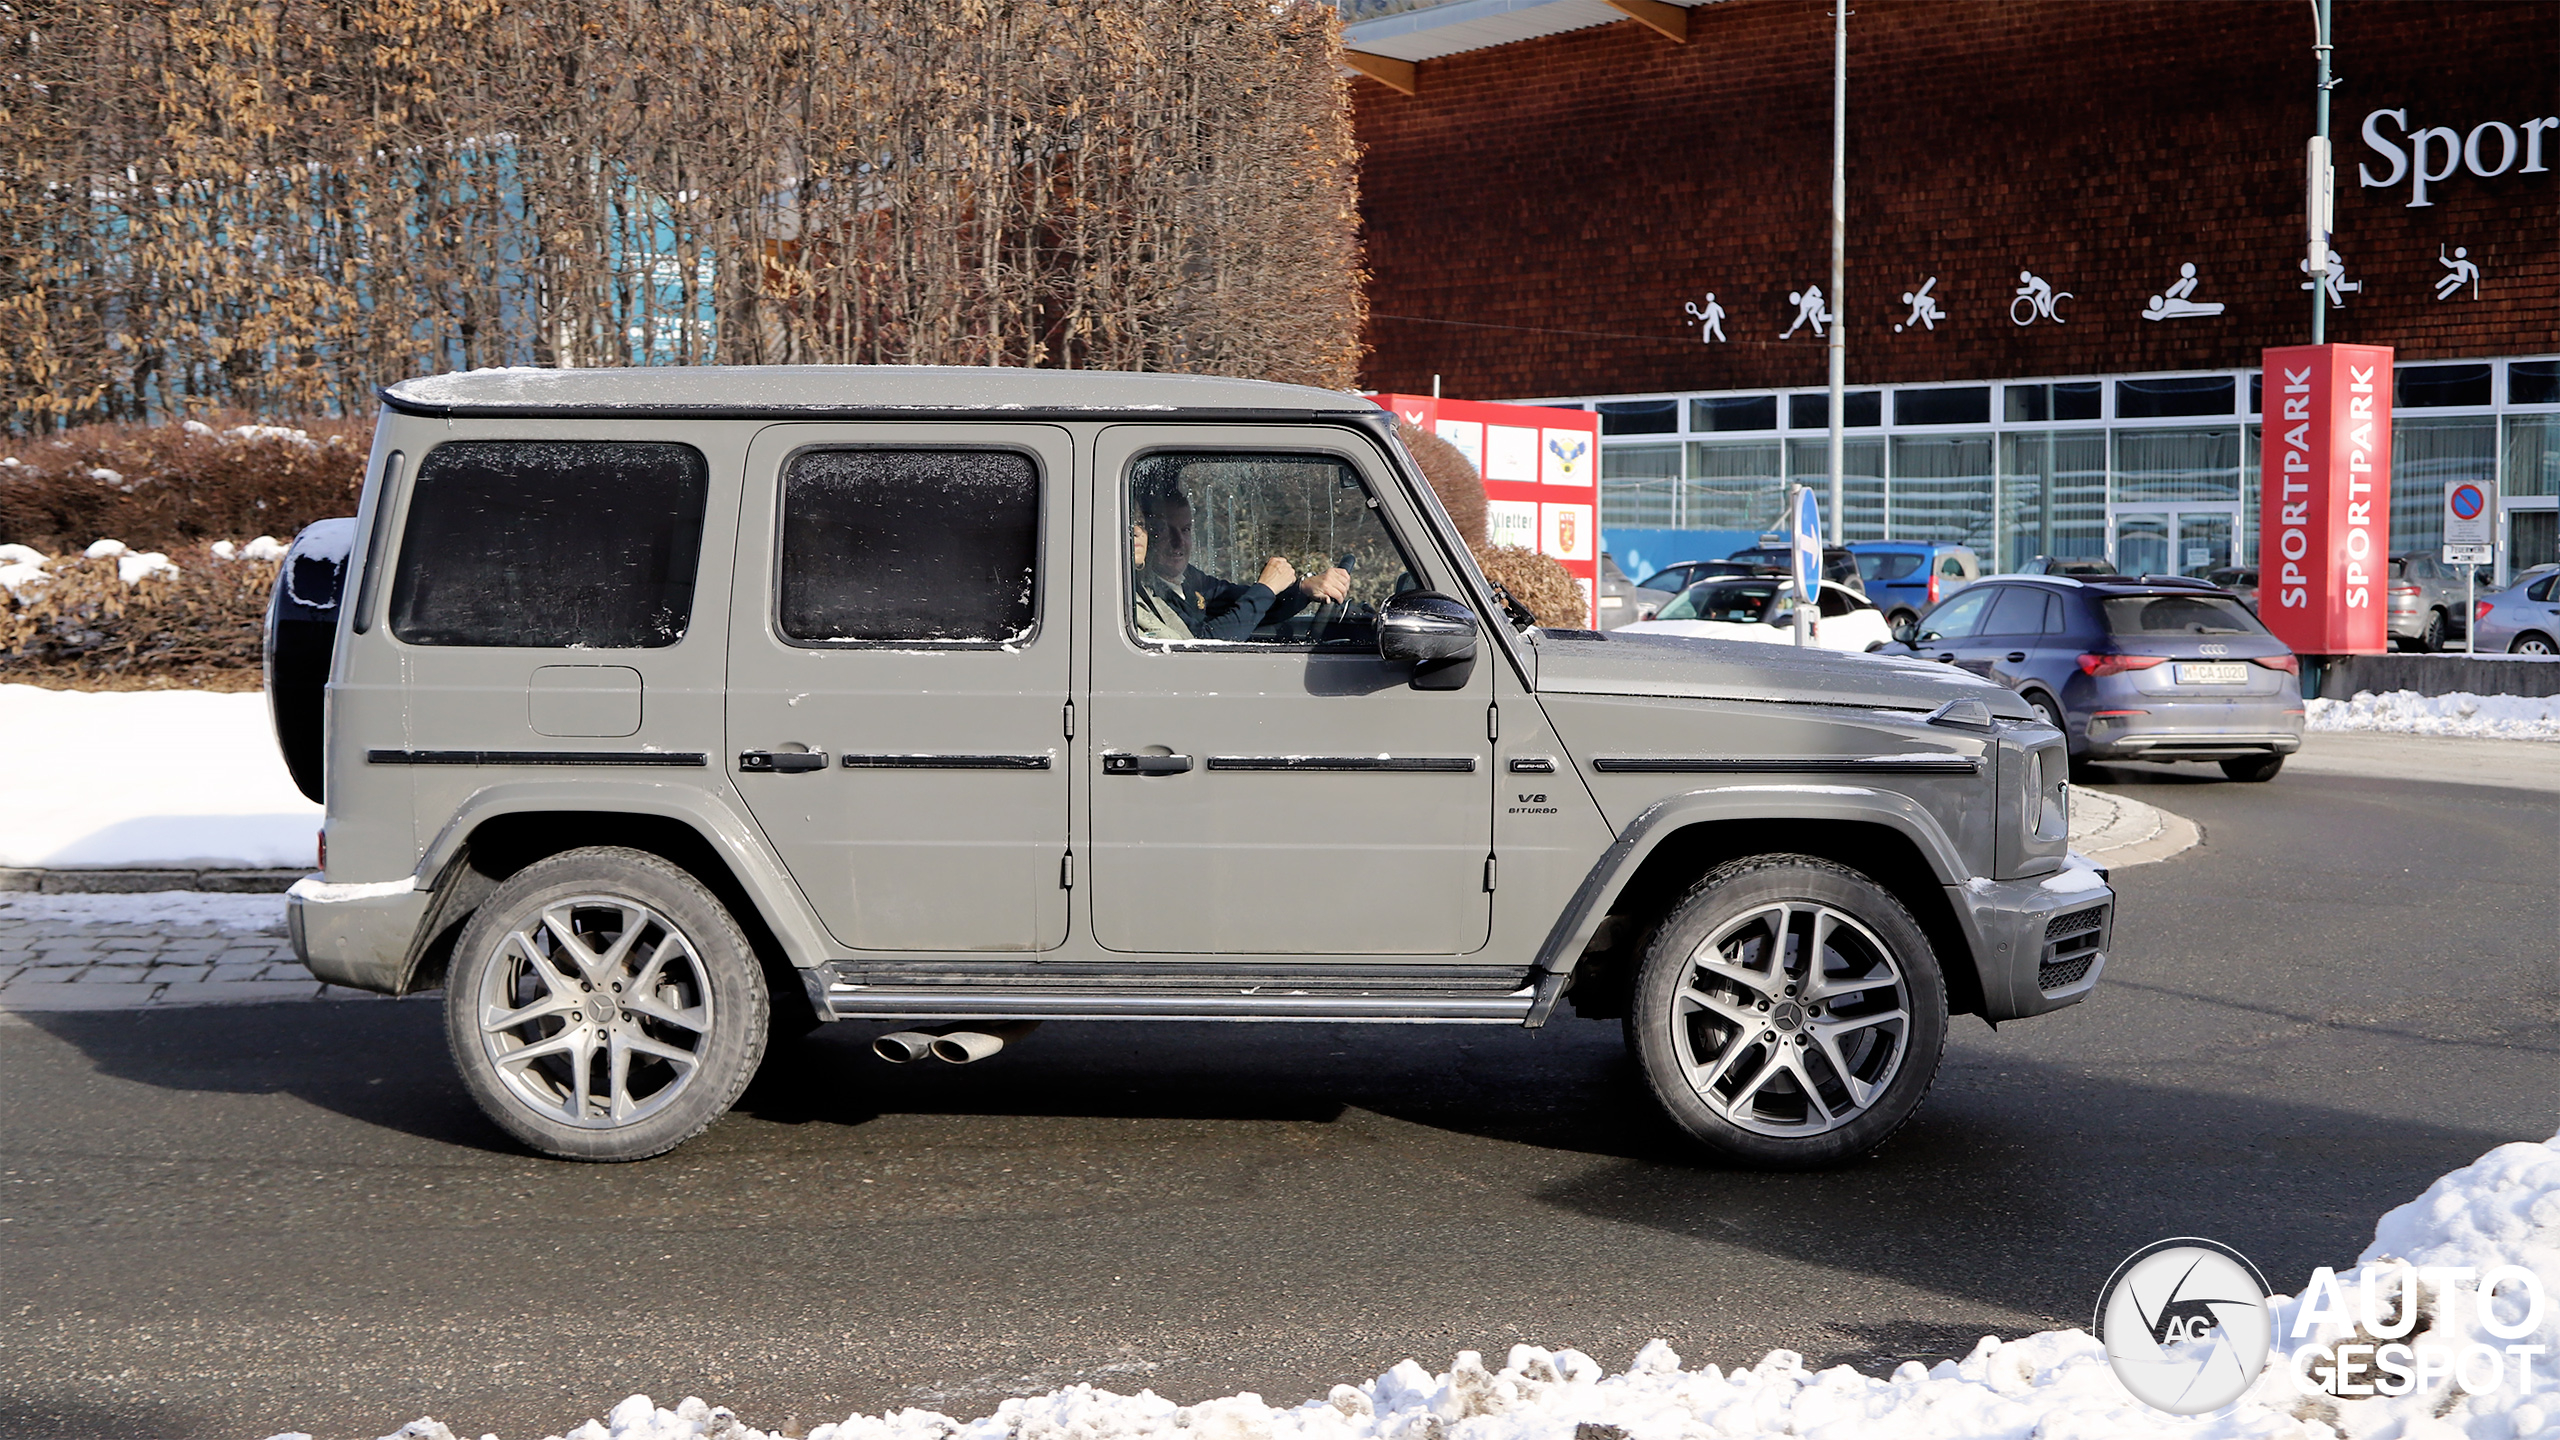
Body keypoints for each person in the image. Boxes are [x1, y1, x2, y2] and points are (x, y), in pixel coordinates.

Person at [1135, 481, 1350, 642]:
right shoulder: (1145, 592)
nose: (1178, 542)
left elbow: (1253, 606)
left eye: (1186, 530)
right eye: (1164, 531)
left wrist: (1303, 589)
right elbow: (1204, 645)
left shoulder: (1189, 579)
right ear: (1147, 534)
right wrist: (1265, 587)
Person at [1129, 521, 1193, 641]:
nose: (1137, 531)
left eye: (1142, 524)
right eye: (1128, 522)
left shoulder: (1147, 592)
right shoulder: (1109, 605)